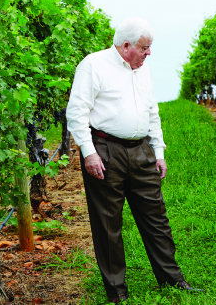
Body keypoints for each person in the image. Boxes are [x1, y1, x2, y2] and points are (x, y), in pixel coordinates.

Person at [66, 18, 199, 303]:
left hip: (141, 151)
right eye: (144, 48)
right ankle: (116, 291)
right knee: (107, 223)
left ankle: (172, 280)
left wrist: (158, 152)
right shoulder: (93, 65)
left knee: (156, 218)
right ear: (126, 46)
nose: (148, 54)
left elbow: (152, 111)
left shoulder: (143, 70)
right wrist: (89, 152)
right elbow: (77, 112)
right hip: (105, 150)